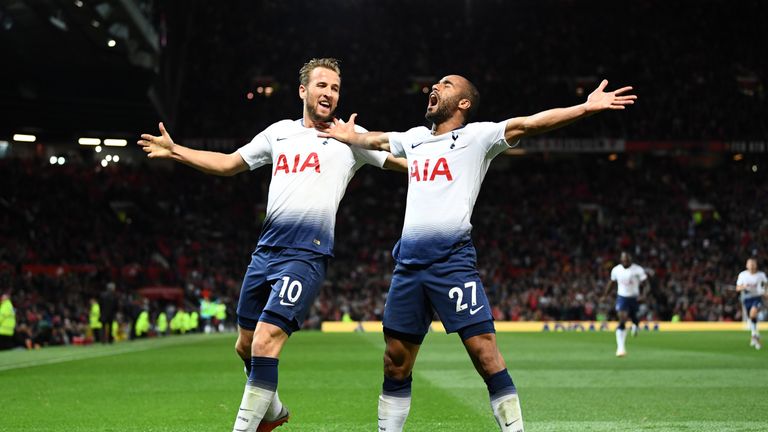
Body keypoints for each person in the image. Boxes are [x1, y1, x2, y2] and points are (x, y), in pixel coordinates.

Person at [319, 75, 636, 432]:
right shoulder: (415, 139)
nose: (436, 87)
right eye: (436, 84)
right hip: (408, 265)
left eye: (447, 84)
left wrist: (585, 107)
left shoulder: (477, 137)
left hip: (452, 262)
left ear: (464, 103)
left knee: (485, 355)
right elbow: (374, 139)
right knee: (395, 361)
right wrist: (349, 136)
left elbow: (530, 123)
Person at [138, 57, 406, 432]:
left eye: (335, 88)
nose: (329, 93)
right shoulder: (279, 132)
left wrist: (448, 159)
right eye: (322, 85)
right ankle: (275, 410)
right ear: (303, 90)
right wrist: (176, 150)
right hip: (265, 253)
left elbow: (402, 162)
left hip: (307, 254)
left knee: (265, 341)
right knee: (245, 346)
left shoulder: (350, 136)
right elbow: (230, 163)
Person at [603, 252, 649, 357]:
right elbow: (612, 283)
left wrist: (644, 295)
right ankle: (621, 348)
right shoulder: (616, 270)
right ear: (621, 260)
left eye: (627, 260)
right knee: (622, 319)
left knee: (634, 317)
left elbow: (646, 285)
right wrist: (605, 295)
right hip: (622, 297)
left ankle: (635, 325)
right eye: (623, 260)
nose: (625, 261)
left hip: (634, 297)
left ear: (630, 260)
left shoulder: (638, 270)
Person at [736, 257, 767, 350]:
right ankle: (755, 334)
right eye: (750, 264)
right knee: (752, 317)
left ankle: (754, 335)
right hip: (747, 298)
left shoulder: (761, 275)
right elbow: (737, 288)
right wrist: (744, 287)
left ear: (756, 265)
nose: (752, 266)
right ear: (747, 265)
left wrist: (765, 292)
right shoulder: (743, 275)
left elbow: (766, 285)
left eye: (753, 264)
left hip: (757, 297)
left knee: (753, 313)